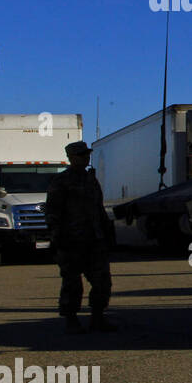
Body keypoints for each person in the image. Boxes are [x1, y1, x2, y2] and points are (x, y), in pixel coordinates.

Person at [45, 141, 115, 333]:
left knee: (102, 281)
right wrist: (57, 237)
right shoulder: (61, 182)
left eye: (86, 154)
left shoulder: (91, 179)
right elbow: (52, 212)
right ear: (71, 158)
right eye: (81, 155)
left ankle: (98, 318)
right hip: (71, 241)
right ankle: (71, 320)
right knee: (72, 283)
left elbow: (99, 208)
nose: (86, 158)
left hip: (94, 240)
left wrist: (107, 233)